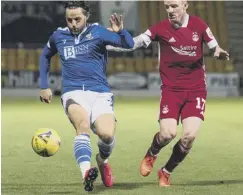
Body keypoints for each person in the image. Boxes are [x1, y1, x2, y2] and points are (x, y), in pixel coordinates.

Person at [107, 0, 229, 187]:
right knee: (167, 134)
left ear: (185, 5)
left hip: (196, 90)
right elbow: (135, 43)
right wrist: (117, 36)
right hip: (171, 90)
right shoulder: (160, 28)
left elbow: (214, 46)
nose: (170, 10)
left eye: (174, 6)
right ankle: (152, 153)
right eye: (167, 7)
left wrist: (218, 52)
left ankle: (166, 171)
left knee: (189, 136)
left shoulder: (200, 26)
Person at [39, 1, 134, 192]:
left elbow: (128, 44)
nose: (73, 23)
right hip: (73, 92)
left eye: (77, 19)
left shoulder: (98, 32)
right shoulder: (59, 35)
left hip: (100, 92)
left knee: (106, 135)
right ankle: (86, 174)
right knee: (82, 126)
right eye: (69, 20)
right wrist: (43, 86)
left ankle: (102, 160)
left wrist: (120, 31)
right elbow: (45, 55)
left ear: (86, 17)